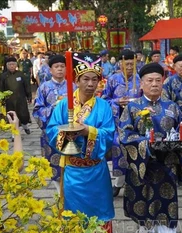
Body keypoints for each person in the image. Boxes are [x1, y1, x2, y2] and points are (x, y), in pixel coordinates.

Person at [46, 52, 115, 231]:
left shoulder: (104, 106)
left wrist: (88, 131)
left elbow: (109, 135)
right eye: (86, 79)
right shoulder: (63, 105)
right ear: (77, 80)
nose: (91, 84)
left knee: (99, 217)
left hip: (97, 171)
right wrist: (66, 134)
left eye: (95, 79)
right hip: (73, 171)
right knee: (73, 218)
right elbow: (51, 130)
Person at [119, 63, 182, 233]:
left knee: (165, 211)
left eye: (158, 80)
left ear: (163, 82)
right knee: (143, 212)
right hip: (142, 167)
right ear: (141, 83)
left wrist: (180, 141)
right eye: (150, 80)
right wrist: (145, 144)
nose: (154, 84)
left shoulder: (172, 106)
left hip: (166, 167)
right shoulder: (132, 107)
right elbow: (124, 135)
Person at [33, 55, 77, 191]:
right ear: (50, 70)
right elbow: (37, 110)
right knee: (55, 165)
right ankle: (60, 194)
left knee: (72, 164)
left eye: (62, 67)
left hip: (72, 132)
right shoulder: (44, 88)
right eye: (56, 67)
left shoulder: (74, 86)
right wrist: (54, 107)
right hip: (52, 132)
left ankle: (71, 192)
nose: (59, 69)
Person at [101, 49, 142, 197]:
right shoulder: (113, 79)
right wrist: (117, 101)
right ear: (120, 63)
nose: (130, 67)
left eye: (132, 64)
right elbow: (104, 99)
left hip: (137, 121)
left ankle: (136, 181)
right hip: (118, 121)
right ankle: (118, 182)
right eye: (127, 64)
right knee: (118, 146)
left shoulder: (140, 79)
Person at [0, 57, 32, 135]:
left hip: (21, 98)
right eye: (10, 64)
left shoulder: (20, 74)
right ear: (7, 66)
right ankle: (13, 134)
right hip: (9, 100)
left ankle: (25, 127)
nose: (12, 66)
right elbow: (1, 89)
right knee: (11, 116)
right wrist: (2, 100)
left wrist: (29, 96)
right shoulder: (4, 76)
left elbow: (26, 86)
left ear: (16, 65)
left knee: (23, 115)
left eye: (13, 64)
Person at [162, 53, 182, 122]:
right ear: (175, 67)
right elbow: (164, 101)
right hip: (175, 115)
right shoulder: (168, 81)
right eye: (181, 66)